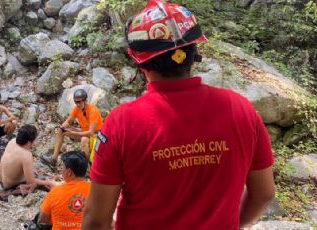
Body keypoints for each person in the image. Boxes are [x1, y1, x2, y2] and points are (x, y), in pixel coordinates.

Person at [82, 1, 276, 229]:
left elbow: (95, 220)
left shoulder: (122, 122)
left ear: (138, 60)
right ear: (195, 53)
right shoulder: (241, 109)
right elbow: (264, 193)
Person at [40, 88, 103, 168]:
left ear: (85, 100)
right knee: (61, 131)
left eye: (79, 102)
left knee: (84, 139)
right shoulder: (76, 109)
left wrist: (74, 133)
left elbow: (91, 132)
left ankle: (85, 168)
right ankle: (53, 159)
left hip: (96, 135)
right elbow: (68, 121)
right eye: (76, 102)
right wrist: (63, 127)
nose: (78, 104)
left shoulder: (93, 111)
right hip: (84, 131)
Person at [38, 151, 90, 230]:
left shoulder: (55, 192)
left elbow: (42, 219)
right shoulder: (94, 191)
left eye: (62, 167)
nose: (61, 170)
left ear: (69, 172)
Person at [0, 124, 54, 191]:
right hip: (9, 186)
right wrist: (49, 182)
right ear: (29, 142)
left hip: (0, 180)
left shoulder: (12, 141)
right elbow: (30, 182)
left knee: (34, 172)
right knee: (43, 180)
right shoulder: (26, 155)